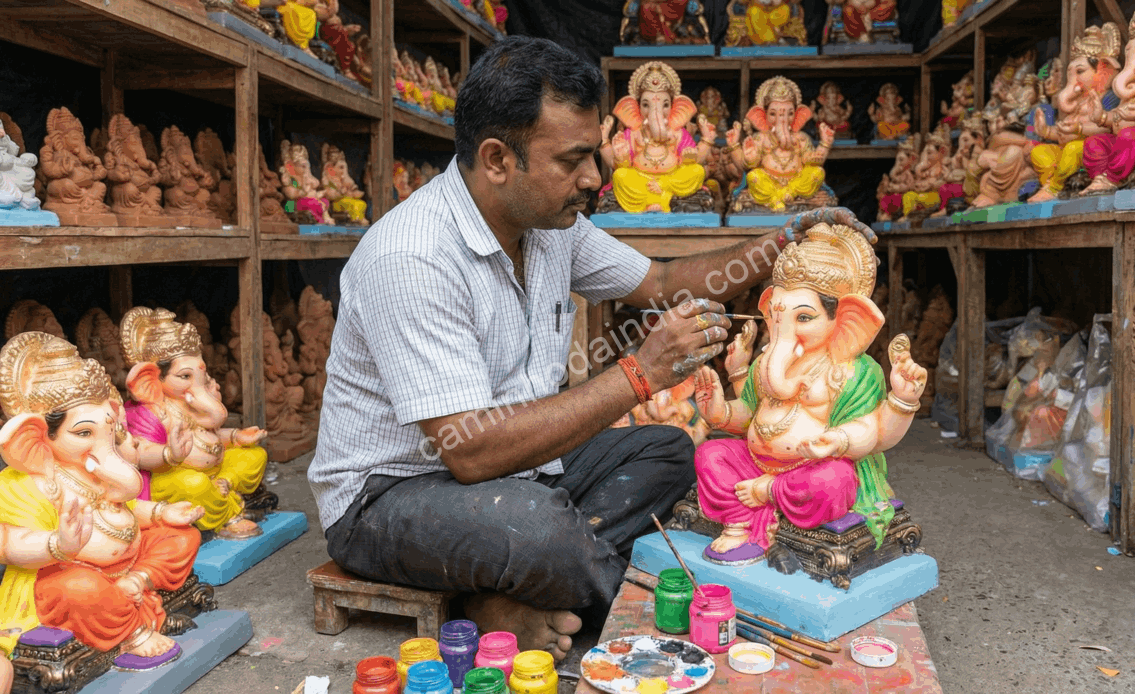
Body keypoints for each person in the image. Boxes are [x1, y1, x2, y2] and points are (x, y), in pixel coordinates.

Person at [308, 35, 874, 660]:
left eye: (595, 155)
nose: (594, 178)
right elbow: (468, 452)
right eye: (573, 160)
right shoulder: (413, 256)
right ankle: (534, 591)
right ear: (497, 159)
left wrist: (782, 240)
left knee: (668, 451)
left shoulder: (552, 226)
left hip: (513, 470)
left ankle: (523, 596)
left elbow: (659, 281)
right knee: (538, 525)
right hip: (391, 495)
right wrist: (642, 372)